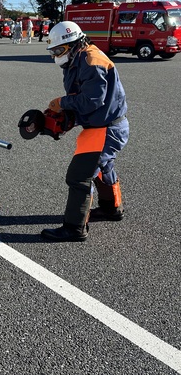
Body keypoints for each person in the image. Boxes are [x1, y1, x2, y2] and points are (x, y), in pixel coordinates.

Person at [40, 21, 128, 242]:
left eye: (59, 50)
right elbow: (85, 98)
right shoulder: (77, 59)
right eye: (53, 51)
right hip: (100, 125)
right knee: (103, 167)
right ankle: (111, 208)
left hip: (106, 128)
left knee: (79, 176)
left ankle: (74, 228)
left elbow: (92, 100)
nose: (56, 55)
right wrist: (65, 114)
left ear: (74, 43)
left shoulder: (91, 61)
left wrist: (63, 102)